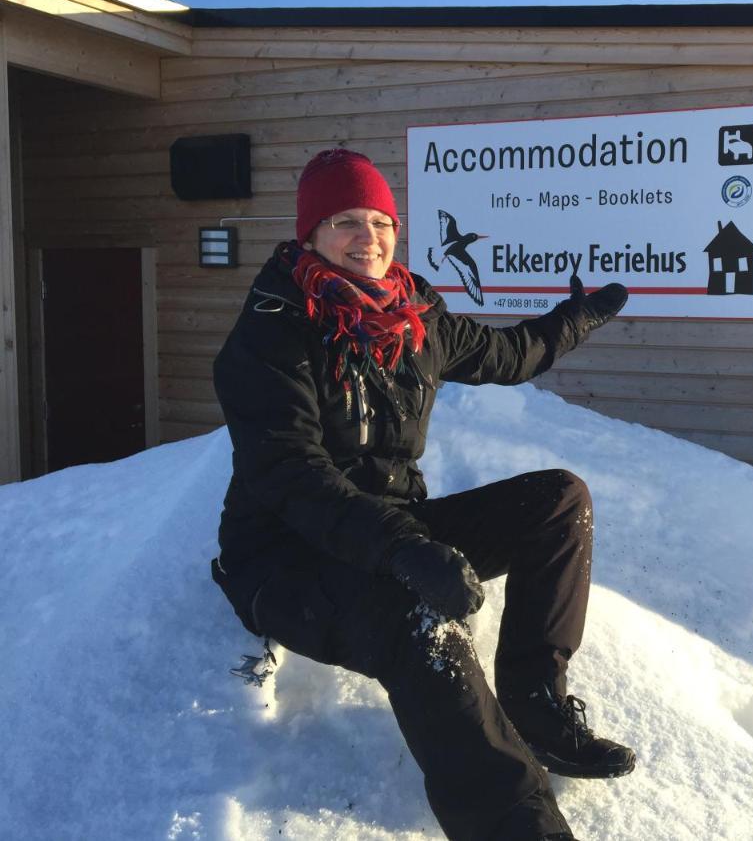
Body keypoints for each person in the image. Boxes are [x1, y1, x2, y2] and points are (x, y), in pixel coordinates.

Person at [210, 148, 633, 841]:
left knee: (559, 500)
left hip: (389, 529)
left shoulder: (415, 317)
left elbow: (508, 355)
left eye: (380, 220)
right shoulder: (271, 333)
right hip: (285, 556)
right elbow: (291, 476)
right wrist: (406, 549)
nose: (367, 237)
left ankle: (535, 707)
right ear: (309, 234)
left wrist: (576, 318)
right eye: (345, 220)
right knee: (419, 615)